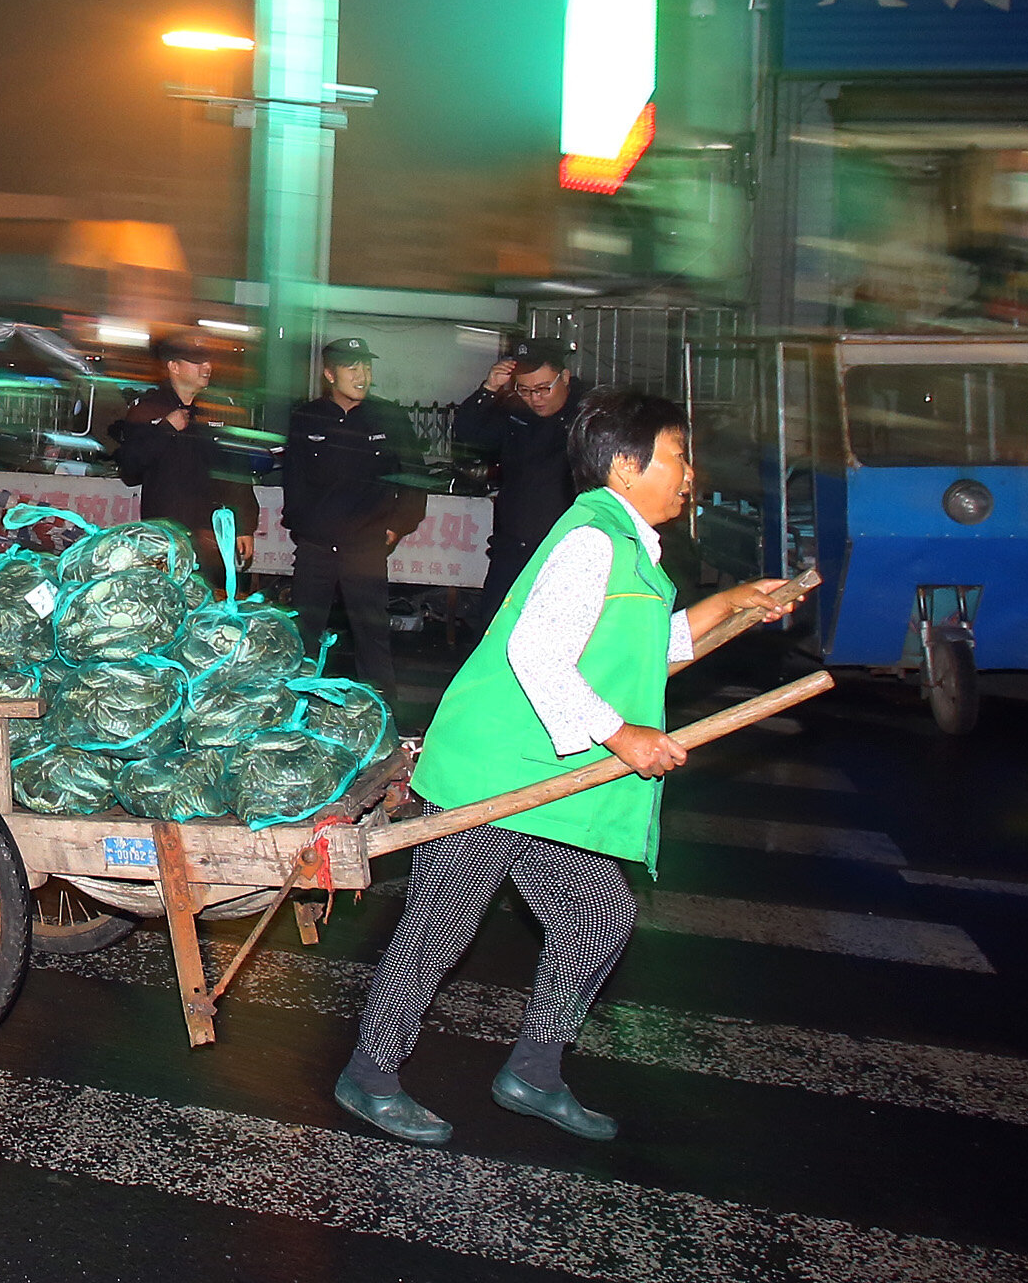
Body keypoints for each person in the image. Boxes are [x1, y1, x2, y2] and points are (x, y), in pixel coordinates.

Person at [332, 390, 802, 1147]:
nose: (690, 474)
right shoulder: (591, 540)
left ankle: (534, 1074)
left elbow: (646, 652)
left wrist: (732, 605)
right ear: (626, 466)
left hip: (539, 776)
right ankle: (370, 1075)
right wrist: (622, 735)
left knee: (599, 918)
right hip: (494, 768)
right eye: (678, 456)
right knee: (440, 925)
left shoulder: (629, 547)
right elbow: (537, 653)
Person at [282, 338, 422, 700]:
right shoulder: (307, 417)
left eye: (367, 368)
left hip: (365, 547)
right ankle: (296, 711)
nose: (362, 376)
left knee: (372, 636)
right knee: (304, 634)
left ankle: (381, 714)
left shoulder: (388, 416)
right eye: (352, 368)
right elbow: (294, 478)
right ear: (330, 375)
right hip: (316, 546)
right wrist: (302, 527)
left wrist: (399, 524)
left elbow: (413, 475)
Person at [449, 338, 591, 651]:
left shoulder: (590, 416)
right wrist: (489, 389)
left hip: (567, 553)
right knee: (493, 637)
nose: (535, 399)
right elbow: (468, 438)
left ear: (565, 378)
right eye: (525, 390)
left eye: (543, 389)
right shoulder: (514, 411)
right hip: (512, 550)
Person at [109, 331, 234, 542]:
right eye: (197, 362)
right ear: (174, 367)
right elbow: (130, 470)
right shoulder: (147, 410)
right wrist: (165, 429)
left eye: (208, 361)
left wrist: (245, 525)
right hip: (166, 535)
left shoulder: (216, 411)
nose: (207, 367)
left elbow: (234, 471)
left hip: (212, 534)